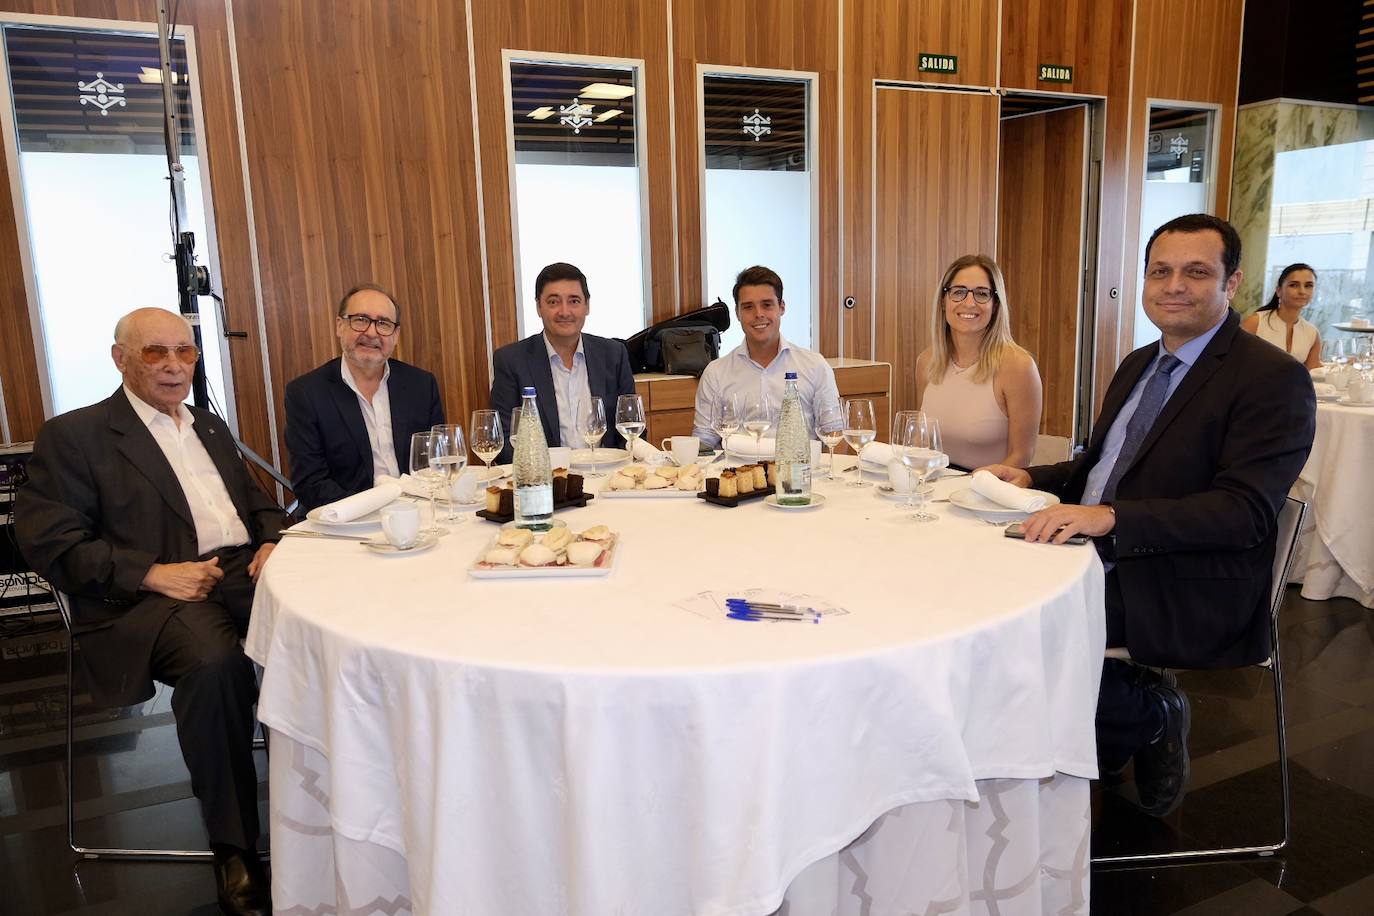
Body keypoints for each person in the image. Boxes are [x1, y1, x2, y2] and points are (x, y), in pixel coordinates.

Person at [981, 215, 1315, 817]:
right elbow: (1102, 468)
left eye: (1196, 272)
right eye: (1160, 270)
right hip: (1103, 551)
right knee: (974, 591)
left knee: (1013, 630)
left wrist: (1110, 519)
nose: (1174, 285)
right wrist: (1033, 478)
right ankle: (1087, 735)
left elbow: (1243, 514)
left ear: (1232, 282)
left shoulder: (1273, 379)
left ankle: (1147, 715)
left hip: (1187, 576)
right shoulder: (1140, 362)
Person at [16, 308, 286, 916]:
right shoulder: (75, 435)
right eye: (155, 353)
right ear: (121, 359)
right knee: (217, 666)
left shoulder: (209, 426)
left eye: (184, 353)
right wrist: (152, 573)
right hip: (147, 598)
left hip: (239, 571)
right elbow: (51, 543)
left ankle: (335, 805)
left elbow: (259, 506)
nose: (173, 366)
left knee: (331, 620)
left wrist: (271, 540)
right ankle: (236, 845)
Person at [284, 284, 445, 512]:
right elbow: (310, 483)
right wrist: (374, 509)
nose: (371, 333)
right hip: (349, 520)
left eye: (383, 324)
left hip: (418, 512)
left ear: (396, 335)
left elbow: (437, 462)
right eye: (360, 320)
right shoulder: (306, 393)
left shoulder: (421, 384)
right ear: (340, 326)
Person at [490, 262, 637, 462]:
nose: (564, 312)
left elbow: (631, 429)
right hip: (547, 482)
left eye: (574, 301)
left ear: (587, 306)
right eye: (553, 302)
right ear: (538, 307)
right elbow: (505, 441)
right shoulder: (511, 361)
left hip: (607, 476)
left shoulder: (614, 354)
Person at [915, 254, 1043, 469]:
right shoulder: (927, 361)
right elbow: (920, 444)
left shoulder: (1019, 367)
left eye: (982, 294)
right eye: (959, 292)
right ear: (943, 302)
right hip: (932, 489)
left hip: (987, 493)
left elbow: (1020, 457)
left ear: (995, 305)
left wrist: (972, 489)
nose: (969, 303)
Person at [692, 265, 840, 449]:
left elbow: (833, 433)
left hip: (798, 472)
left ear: (782, 307)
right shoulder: (715, 373)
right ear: (737, 313)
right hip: (736, 474)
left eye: (767, 305)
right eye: (748, 307)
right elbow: (704, 441)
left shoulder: (815, 366)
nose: (758, 314)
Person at [1241, 262, 1323, 368]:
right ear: (1279, 290)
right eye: (1293, 285)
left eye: (1308, 286)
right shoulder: (1256, 322)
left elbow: (1312, 372)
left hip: (1294, 384)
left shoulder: (1312, 333)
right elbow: (1233, 361)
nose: (1302, 291)